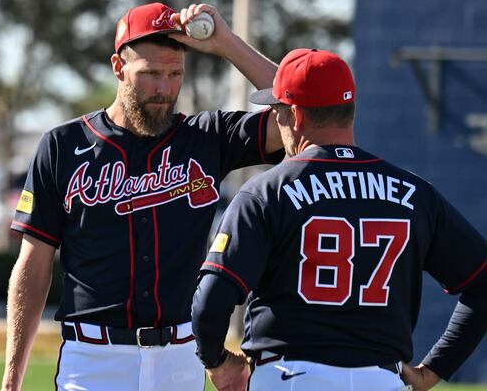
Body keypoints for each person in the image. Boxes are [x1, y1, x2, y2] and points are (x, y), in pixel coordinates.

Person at [1, 2, 284, 391]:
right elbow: (33, 266)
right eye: (150, 73)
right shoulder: (64, 145)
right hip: (94, 359)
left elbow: (298, 110)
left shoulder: (207, 137)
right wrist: (11, 377)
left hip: (180, 357)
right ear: (118, 67)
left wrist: (225, 43)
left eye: (174, 74)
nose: (164, 88)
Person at [191, 48, 487, 391]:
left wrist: (217, 361)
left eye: (278, 111)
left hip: (290, 378)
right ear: (349, 110)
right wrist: (433, 369)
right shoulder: (415, 194)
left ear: (296, 116)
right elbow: (482, 283)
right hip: (380, 380)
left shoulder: (266, 192)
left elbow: (210, 303)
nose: (278, 121)